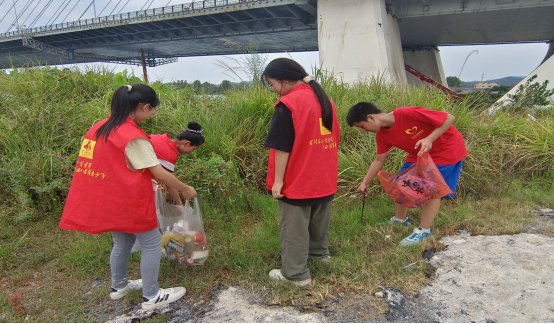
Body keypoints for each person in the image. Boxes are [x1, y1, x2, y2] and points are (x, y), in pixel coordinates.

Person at [59, 84, 197, 311]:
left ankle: (119, 286)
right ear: (144, 107)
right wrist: (185, 189)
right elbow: (159, 172)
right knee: (152, 243)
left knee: (122, 242)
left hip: (104, 197)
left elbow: (109, 163)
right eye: (153, 110)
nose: (152, 115)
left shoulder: (97, 128)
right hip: (127, 200)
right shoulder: (133, 136)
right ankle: (152, 296)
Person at [262, 58, 341, 287]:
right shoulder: (324, 99)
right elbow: (326, 136)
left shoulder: (288, 104)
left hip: (299, 177)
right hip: (323, 174)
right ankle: (319, 255)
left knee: (293, 227)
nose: (273, 90)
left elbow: (282, 146)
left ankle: (296, 274)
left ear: (285, 79)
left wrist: (278, 181)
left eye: (272, 84)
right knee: (319, 218)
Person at [346, 103, 468, 246]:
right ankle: (400, 220)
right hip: (419, 151)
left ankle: (423, 230)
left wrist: (429, 138)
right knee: (400, 182)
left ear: (371, 117)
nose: (364, 131)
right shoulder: (382, 135)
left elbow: (449, 118)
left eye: (361, 126)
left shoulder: (406, 113)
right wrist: (364, 183)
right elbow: (379, 160)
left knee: (431, 189)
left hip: (445, 148)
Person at [149, 122, 206, 206]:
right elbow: (169, 182)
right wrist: (180, 204)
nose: (191, 152)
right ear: (186, 143)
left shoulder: (160, 137)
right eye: (193, 149)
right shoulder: (170, 154)